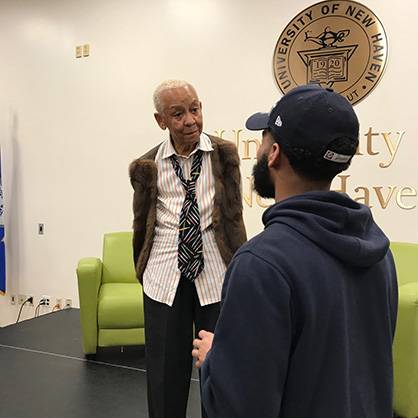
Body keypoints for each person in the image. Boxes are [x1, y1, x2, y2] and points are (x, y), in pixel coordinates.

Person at [192, 84, 398, 418]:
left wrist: (216, 358)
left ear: (274, 153)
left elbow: (240, 407)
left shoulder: (261, 265)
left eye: (264, 138)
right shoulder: (380, 252)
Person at [129, 79, 247, 418]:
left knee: (222, 368)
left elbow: (234, 217)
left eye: (194, 109)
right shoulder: (146, 166)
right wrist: (142, 266)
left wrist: (242, 266)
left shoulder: (224, 155)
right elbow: (142, 223)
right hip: (163, 278)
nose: (190, 120)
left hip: (217, 275)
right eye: (177, 114)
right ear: (160, 120)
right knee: (165, 373)